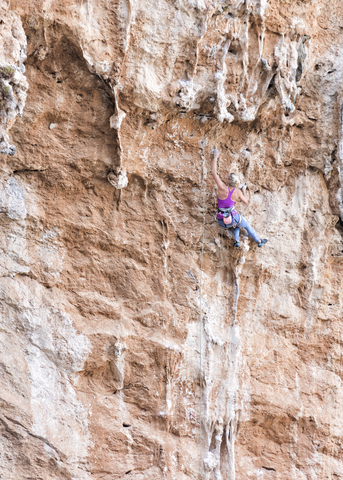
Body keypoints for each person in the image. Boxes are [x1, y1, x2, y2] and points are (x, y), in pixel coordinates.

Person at [211, 148, 267, 248]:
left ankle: (237, 241)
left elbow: (214, 173)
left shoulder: (222, 187)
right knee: (245, 225)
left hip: (221, 221)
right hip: (232, 219)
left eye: (227, 176)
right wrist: (243, 190)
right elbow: (246, 201)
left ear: (228, 180)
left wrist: (215, 156)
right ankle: (259, 241)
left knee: (236, 223)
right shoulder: (237, 191)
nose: (226, 176)